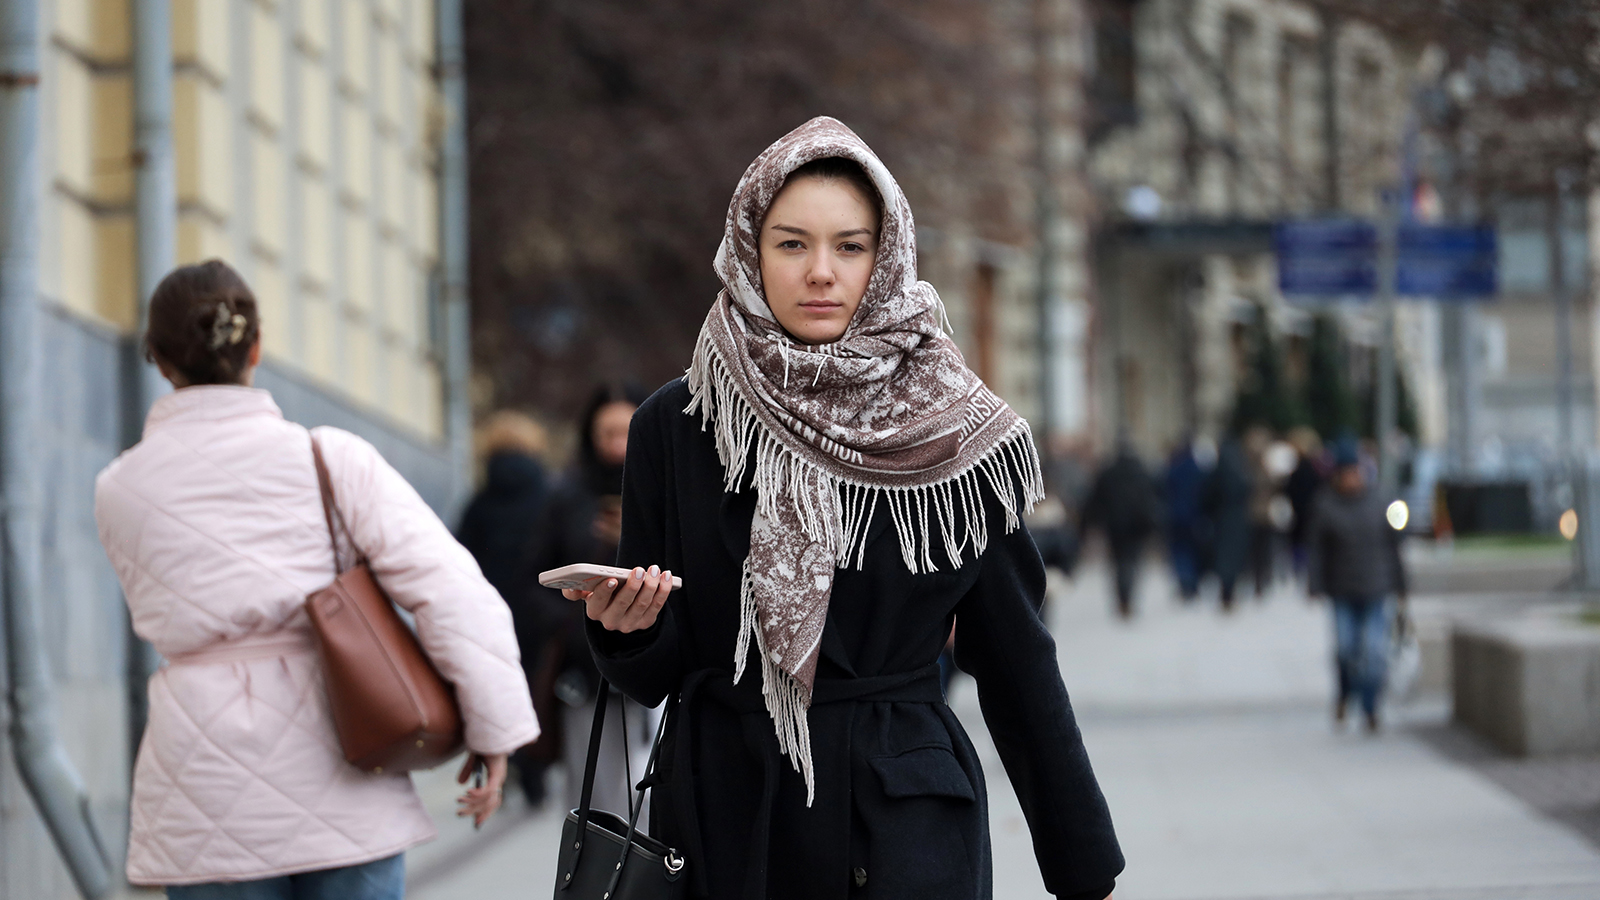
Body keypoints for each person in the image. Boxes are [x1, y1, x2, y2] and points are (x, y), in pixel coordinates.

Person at [563, 118, 1121, 899]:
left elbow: (1015, 655)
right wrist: (626, 628)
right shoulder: (680, 422)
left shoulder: (954, 431)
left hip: (901, 823)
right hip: (727, 820)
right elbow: (659, 669)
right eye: (792, 244)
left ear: (884, 257)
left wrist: (1081, 860)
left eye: (849, 247)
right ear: (749, 251)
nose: (820, 272)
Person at [94, 260, 540, 899]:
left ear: (160, 360)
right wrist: (495, 729)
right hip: (345, 761)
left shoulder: (118, 488)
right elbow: (450, 590)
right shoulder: (330, 458)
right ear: (257, 347)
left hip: (202, 782)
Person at [521, 383, 654, 816]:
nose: (617, 446)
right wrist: (573, 626)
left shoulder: (663, 486)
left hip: (656, 657)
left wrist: (632, 543)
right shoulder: (567, 495)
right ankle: (597, 880)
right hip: (586, 669)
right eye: (606, 433)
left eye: (626, 432)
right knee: (594, 797)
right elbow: (531, 579)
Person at [456, 410, 552, 803]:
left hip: (490, 610)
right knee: (536, 686)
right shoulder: (548, 494)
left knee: (494, 683)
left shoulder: (479, 501)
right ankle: (535, 771)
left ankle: (500, 755)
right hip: (536, 609)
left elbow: (460, 556)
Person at [1306, 440, 1408, 732]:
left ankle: (1370, 706)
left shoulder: (1381, 500)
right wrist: (1315, 584)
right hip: (1342, 589)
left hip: (1377, 587)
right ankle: (1344, 692)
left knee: (1374, 652)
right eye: (1347, 472)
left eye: (1356, 472)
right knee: (1345, 649)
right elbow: (1316, 549)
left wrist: (1401, 586)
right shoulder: (1325, 504)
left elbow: (1394, 545)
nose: (1353, 478)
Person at [1081, 444, 1160, 618]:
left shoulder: (1109, 473)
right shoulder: (1142, 472)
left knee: (1119, 563)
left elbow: (1095, 499)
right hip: (1137, 526)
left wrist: (1088, 524)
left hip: (1115, 526)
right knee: (1133, 562)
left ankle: (1123, 599)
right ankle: (1128, 597)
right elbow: (1152, 498)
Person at [1203, 437, 1254, 611]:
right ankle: (1230, 593)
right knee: (1234, 557)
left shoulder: (1217, 472)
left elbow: (1207, 496)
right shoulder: (1241, 471)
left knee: (1224, 558)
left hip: (1222, 520)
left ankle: (1226, 593)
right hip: (1237, 521)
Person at [1164, 438, 1211, 601]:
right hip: (1195, 517)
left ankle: (1185, 582)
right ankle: (1192, 583)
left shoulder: (1173, 469)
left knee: (1180, 552)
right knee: (1194, 551)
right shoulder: (1199, 470)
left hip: (1176, 517)